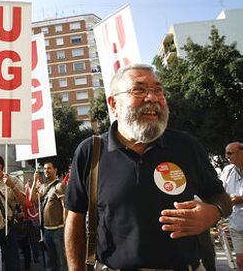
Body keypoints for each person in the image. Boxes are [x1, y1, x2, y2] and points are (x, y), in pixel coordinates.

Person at [64, 63, 232, 270]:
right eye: (139, 89)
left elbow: (221, 197)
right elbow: (75, 218)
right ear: (113, 104)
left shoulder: (186, 146)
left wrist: (214, 212)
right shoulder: (91, 151)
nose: (152, 98)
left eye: (158, 90)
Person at [30, 161, 67, 270]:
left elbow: (65, 207)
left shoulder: (60, 186)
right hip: (46, 230)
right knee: (49, 262)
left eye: (49, 168)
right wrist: (34, 181)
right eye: (45, 168)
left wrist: (66, 226)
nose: (46, 170)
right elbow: (32, 199)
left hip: (58, 230)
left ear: (55, 170)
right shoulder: (43, 187)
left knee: (62, 261)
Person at [220, 141, 243, 269]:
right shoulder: (228, 171)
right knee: (240, 261)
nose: (227, 157)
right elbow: (221, 191)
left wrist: (240, 198)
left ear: (240, 153)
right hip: (236, 222)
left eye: (229, 153)